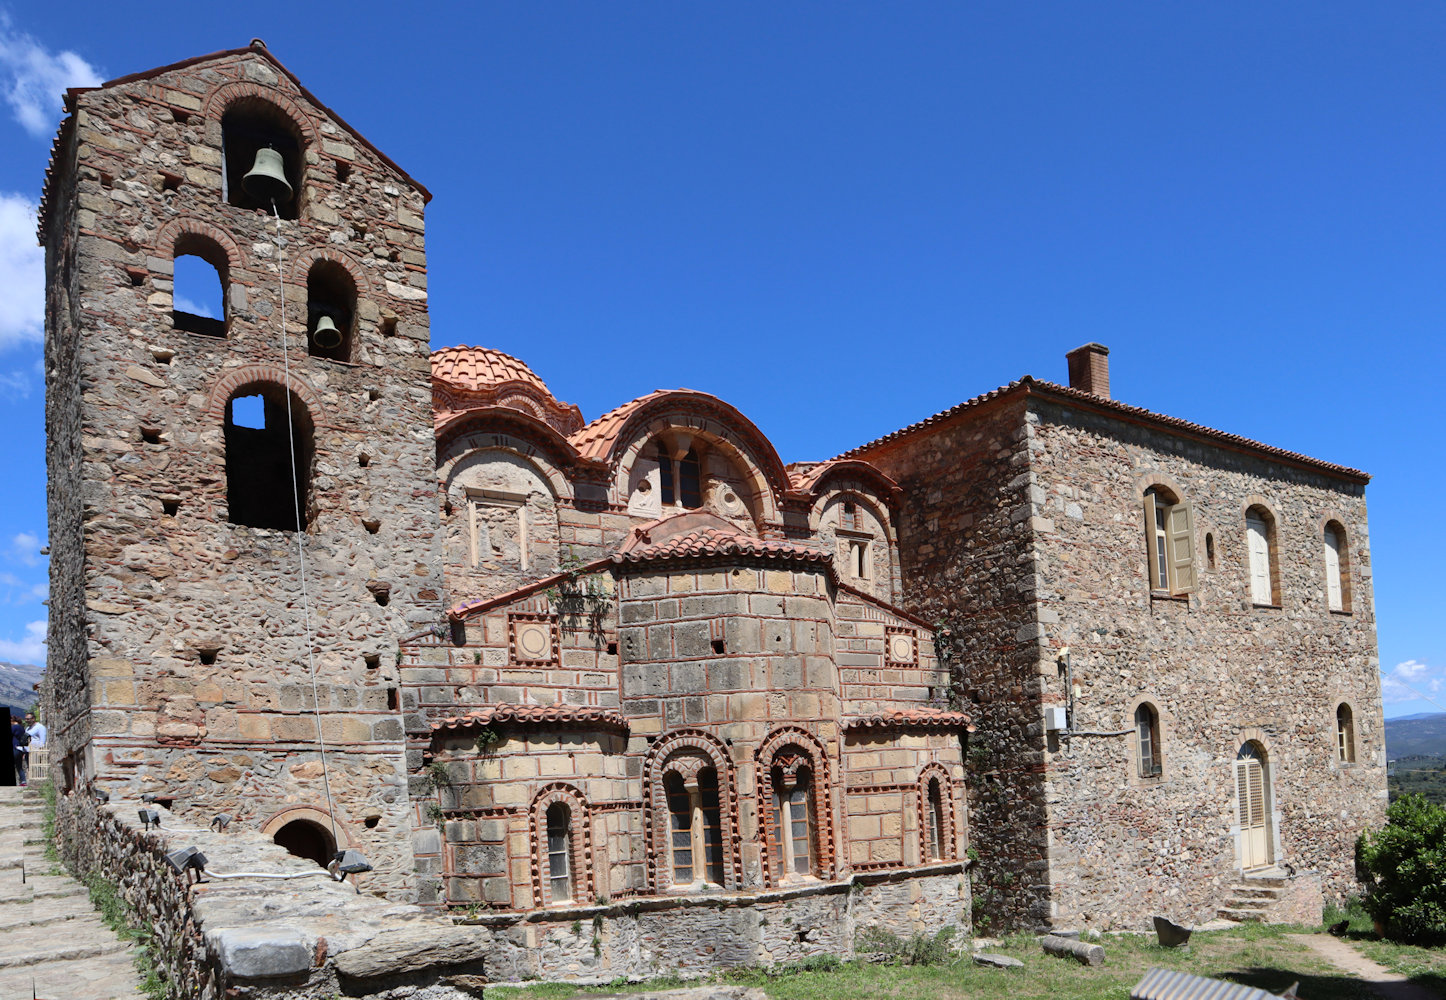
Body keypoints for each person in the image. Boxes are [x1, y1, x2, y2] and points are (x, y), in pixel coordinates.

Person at [9, 717, 28, 787]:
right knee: (19, 766)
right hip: (20, 749)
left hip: (15, 748)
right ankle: (23, 781)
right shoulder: (21, 727)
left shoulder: (14, 727)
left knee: (18, 766)